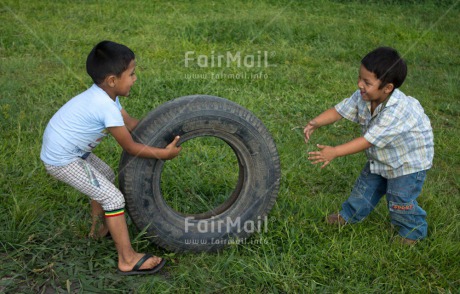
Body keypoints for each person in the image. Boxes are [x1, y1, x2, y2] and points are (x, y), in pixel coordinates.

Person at [40, 40, 182, 275]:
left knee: (105, 175)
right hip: (62, 160)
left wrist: (164, 130)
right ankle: (127, 259)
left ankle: (98, 230)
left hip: (72, 152)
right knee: (114, 199)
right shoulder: (103, 107)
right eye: (132, 74)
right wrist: (163, 154)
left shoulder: (107, 98)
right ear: (112, 81)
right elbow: (130, 146)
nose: (135, 78)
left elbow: (133, 125)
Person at [304, 47, 434, 245]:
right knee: (363, 189)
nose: (359, 85)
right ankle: (347, 216)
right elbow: (339, 110)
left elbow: (367, 141)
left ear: (387, 88)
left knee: (399, 200)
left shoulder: (396, 111)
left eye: (367, 82)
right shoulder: (364, 96)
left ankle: (411, 233)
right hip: (381, 157)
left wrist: (335, 152)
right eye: (359, 78)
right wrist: (316, 122)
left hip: (407, 163)